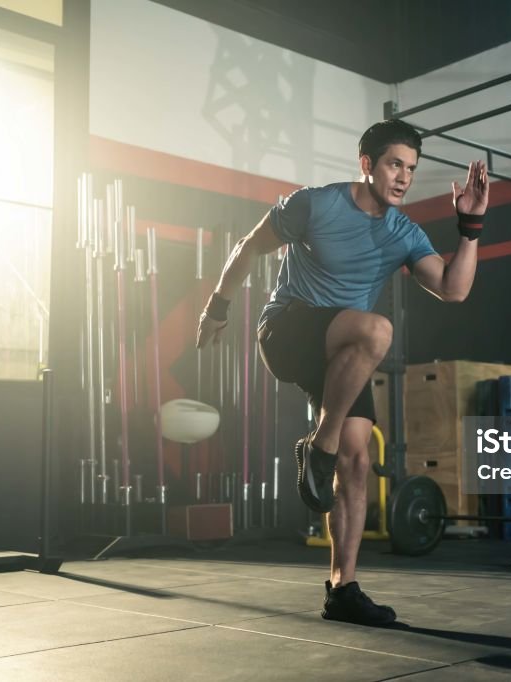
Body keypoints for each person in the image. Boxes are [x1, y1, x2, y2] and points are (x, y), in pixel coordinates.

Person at [196, 119, 489, 626]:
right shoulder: (314, 204)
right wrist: (216, 308)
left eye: (411, 169)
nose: (403, 177)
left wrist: (470, 227)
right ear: (367, 164)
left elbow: (454, 288)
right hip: (287, 331)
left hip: (340, 357)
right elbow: (247, 247)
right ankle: (319, 447)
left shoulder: (402, 231)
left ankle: (342, 587)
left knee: (357, 459)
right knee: (377, 332)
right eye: (395, 164)